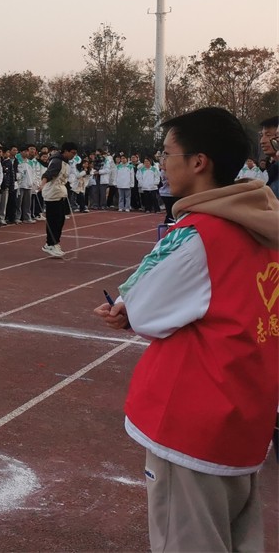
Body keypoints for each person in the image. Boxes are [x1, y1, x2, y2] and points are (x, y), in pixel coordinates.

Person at [94, 107, 278, 552]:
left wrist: (128, 310)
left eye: (167, 153)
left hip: (193, 421)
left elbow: (145, 308)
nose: (162, 162)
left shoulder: (200, 233)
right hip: (245, 411)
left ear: (199, 162)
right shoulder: (264, 225)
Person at [40, 142, 77, 258]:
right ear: (65, 151)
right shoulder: (57, 161)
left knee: (60, 219)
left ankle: (55, 242)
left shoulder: (65, 162)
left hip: (60, 193)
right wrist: (42, 184)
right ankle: (50, 244)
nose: (73, 155)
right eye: (72, 153)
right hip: (52, 193)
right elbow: (48, 174)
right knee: (53, 220)